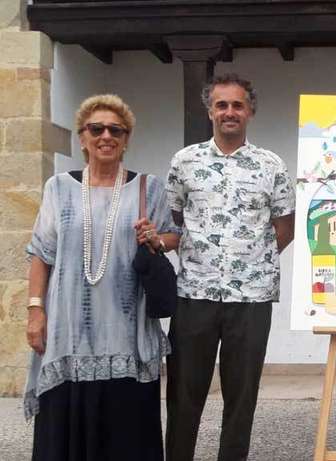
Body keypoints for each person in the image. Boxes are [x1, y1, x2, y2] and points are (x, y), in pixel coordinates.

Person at [24, 94, 180, 461]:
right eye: (96, 129)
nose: (106, 136)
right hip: (68, 333)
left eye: (116, 130)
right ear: (82, 137)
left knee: (125, 432)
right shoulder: (58, 188)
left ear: (126, 139)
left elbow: (173, 236)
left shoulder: (148, 188)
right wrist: (35, 311)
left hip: (126, 332)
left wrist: (154, 237)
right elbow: (41, 254)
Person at [165, 73, 295, 461]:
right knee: (183, 393)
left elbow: (284, 228)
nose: (229, 112)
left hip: (251, 298)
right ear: (210, 111)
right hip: (194, 294)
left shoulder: (271, 165)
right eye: (221, 105)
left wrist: (251, 262)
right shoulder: (184, 162)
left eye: (238, 104)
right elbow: (175, 219)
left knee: (241, 398)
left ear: (250, 111)